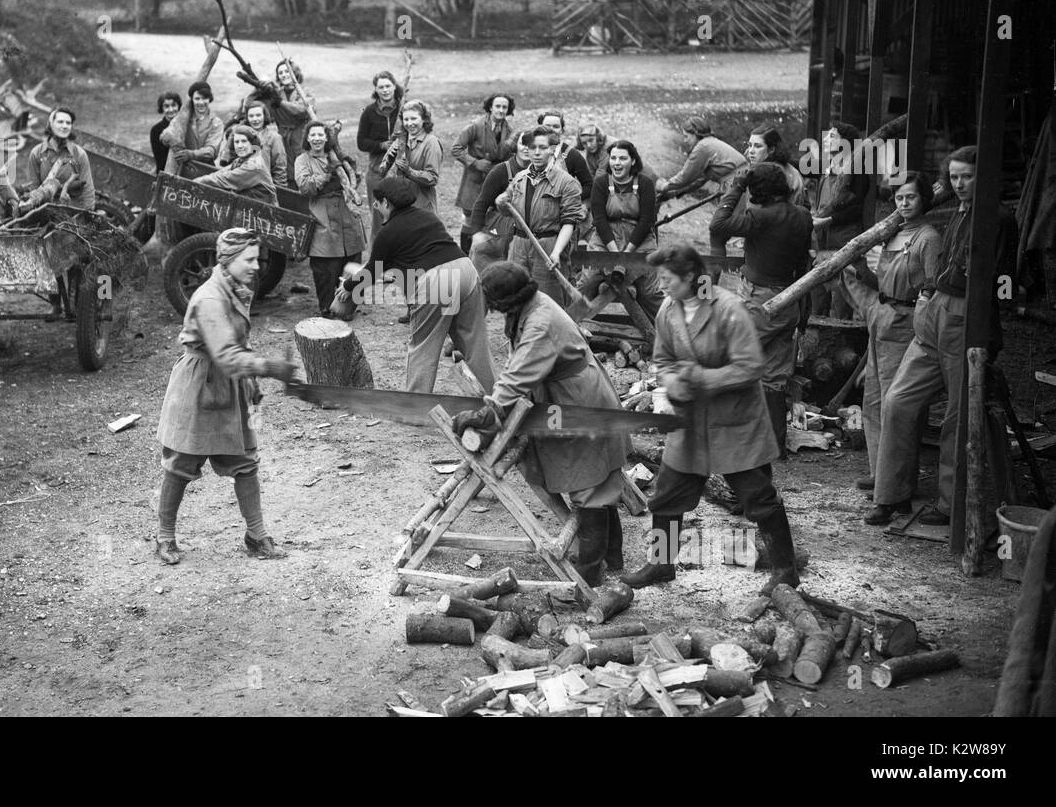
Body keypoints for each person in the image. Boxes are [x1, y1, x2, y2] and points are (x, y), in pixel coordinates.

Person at [620, 244, 800, 595]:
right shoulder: (669, 311)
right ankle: (662, 563)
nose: (661, 285)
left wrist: (700, 379)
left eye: (667, 278)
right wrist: (673, 383)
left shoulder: (727, 309)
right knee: (668, 496)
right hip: (690, 422)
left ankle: (785, 569)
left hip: (735, 423)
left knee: (758, 497)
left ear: (690, 277)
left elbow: (750, 367)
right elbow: (665, 360)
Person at [453, 261, 632, 586]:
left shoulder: (540, 323)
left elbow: (517, 377)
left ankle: (590, 573)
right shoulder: (528, 305)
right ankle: (612, 556)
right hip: (565, 392)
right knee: (596, 479)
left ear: (508, 299)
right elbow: (517, 360)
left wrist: (487, 413)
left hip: (578, 398)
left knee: (590, 483)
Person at [865, 147, 1017, 527]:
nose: (960, 184)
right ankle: (892, 495)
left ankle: (951, 504)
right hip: (932, 314)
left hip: (965, 317)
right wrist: (929, 293)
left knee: (957, 417)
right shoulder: (960, 213)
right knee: (897, 401)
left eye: (967, 176)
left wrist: (984, 310)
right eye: (954, 177)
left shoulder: (998, 218)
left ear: (984, 177)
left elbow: (1007, 284)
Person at [154, 228, 297, 564]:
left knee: (245, 462)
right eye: (249, 259)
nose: (256, 266)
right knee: (182, 464)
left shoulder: (236, 287)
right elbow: (226, 356)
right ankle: (164, 537)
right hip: (200, 386)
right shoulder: (209, 299)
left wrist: (253, 383)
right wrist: (269, 367)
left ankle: (256, 536)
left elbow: (238, 345)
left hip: (230, 385)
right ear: (228, 260)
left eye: (257, 258)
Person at [839, 172, 942, 500]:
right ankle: (879, 471)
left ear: (924, 199)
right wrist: (858, 267)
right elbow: (882, 283)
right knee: (872, 400)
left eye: (911, 197)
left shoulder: (928, 238)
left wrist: (922, 324)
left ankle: (898, 485)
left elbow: (931, 286)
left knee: (896, 407)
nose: (904, 203)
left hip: (905, 322)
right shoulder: (891, 233)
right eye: (899, 198)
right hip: (881, 317)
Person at [341, 175, 493, 394]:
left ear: (386, 203)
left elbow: (372, 272)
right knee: (476, 344)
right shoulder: (428, 217)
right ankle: (496, 398)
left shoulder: (388, 232)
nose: (375, 206)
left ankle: (415, 406)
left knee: (424, 346)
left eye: (377, 202)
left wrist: (347, 287)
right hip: (466, 270)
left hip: (438, 282)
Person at [708, 162, 813, 457]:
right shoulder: (803, 215)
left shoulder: (760, 216)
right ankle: (774, 445)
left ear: (759, 190)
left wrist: (736, 186)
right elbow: (805, 262)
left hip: (760, 300)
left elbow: (718, 225)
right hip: (790, 297)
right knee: (774, 377)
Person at [498, 126, 585, 309]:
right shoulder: (520, 178)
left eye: (543, 148)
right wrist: (502, 202)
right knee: (516, 296)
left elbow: (569, 222)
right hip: (519, 245)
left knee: (548, 302)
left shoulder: (567, 182)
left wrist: (556, 252)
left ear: (553, 149)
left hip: (548, 246)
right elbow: (509, 210)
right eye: (532, 147)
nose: (537, 153)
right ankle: (517, 337)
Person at [577, 139, 663, 318]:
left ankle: (667, 332)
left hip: (639, 240)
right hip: (606, 239)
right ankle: (570, 328)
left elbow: (647, 220)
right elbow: (599, 220)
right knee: (586, 284)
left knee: (650, 293)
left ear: (632, 161)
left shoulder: (645, 183)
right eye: (613, 158)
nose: (616, 163)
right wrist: (615, 254)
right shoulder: (601, 183)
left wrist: (627, 255)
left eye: (622, 158)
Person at [294, 120, 366, 316]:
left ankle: (348, 307)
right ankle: (327, 307)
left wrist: (349, 167)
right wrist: (326, 173)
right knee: (325, 266)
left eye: (320, 135)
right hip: (321, 213)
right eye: (313, 135)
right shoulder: (303, 160)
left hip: (345, 212)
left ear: (327, 138)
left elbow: (354, 183)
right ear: (307, 138)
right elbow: (305, 187)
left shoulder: (336, 156)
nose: (317, 139)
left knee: (352, 262)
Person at [811, 122, 871, 319]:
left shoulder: (857, 170)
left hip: (844, 239)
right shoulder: (828, 168)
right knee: (818, 294)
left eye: (832, 136)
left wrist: (828, 220)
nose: (826, 139)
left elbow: (856, 209)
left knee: (841, 298)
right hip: (822, 241)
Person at [452, 93, 515, 255]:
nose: (501, 110)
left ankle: (483, 252)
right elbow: (456, 149)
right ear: (490, 107)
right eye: (498, 106)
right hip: (474, 179)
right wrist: (474, 162)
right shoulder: (475, 126)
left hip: (494, 178)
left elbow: (511, 154)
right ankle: (464, 254)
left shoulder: (509, 131)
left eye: (504, 107)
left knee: (490, 215)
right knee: (469, 216)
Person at [465, 136, 528, 273]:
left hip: (523, 234)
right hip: (499, 231)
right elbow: (482, 203)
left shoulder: (540, 172)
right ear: (515, 146)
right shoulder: (501, 170)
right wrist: (476, 233)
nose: (526, 148)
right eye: (523, 143)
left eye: (531, 145)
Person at [655, 115, 747, 202]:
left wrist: (664, 186)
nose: (685, 140)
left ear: (695, 134)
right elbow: (700, 179)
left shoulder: (702, 147)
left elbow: (686, 176)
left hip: (736, 183)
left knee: (726, 218)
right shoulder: (710, 143)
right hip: (742, 181)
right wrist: (675, 192)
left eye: (686, 136)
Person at [356, 71, 404, 238]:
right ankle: (377, 261)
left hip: (401, 171)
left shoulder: (403, 108)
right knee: (379, 219)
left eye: (388, 86)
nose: (385, 90)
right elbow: (361, 142)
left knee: (401, 217)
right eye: (381, 87)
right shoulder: (369, 112)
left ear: (394, 86)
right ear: (375, 90)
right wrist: (382, 145)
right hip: (377, 171)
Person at [20, 107, 95, 212]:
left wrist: (89, 212)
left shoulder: (79, 154)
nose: (64, 126)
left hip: (72, 208)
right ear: (51, 124)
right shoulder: (37, 153)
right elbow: (34, 186)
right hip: (44, 208)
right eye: (60, 122)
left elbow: (88, 189)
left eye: (68, 123)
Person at [384, 98, 442, 214]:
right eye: (406, 119)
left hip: (422, 206)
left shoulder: (431, 142)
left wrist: (409, 171)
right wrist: (389, 160)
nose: (409, 123)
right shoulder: (401, 140)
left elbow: (432, 178)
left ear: (424, 119)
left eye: (414, 118)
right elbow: (384, 172)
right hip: (400, 203)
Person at [195, 125, 277, 203]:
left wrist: (196, 182)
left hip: (263, 214)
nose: (239, 146)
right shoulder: (241, 160)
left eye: (244, 141)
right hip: (249, 207)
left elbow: (224, 179)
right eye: (236, 142)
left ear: (252, 143)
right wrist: (202, 179)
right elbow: (222, 172)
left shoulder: (254, 166)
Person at [160, 81, 225, 176]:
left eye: (204, 98)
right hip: (182, 169)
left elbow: (211, 151)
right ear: (192, 100)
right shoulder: (184, 118)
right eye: (197, 99)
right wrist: (168, 137)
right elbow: (164, 136)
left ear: (210, 99)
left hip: (205, 170)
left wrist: (191, 154)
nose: (201, 102)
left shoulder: (216, 123)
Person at [745, 124, 809, 208]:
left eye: (758, 146)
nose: (751, 151)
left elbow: (755, 214)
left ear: (771, 149)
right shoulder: (791, 170)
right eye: (750, 145)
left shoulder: (766, 176)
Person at [271, 59, 312, 185]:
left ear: (294, 72)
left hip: (301, 135)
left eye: (287, 71)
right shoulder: (277, 93)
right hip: (283, 135)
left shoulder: (305, 91)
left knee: (304, 168)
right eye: (280, 73)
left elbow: (301, 109)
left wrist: (281, 103)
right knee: (286, 169)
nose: (283, 75)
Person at [239, 99, 288, 189]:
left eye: (258, 115)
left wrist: (279, 191)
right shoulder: (241, 135)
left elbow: (279, 169)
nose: (255, 119)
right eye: (251, 116)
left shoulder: (274, 138)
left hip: (264, 188)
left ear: (264, 116)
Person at [149, 91, 182, 174]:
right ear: (162, 108)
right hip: (165, 172)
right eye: (166, 106)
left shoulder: (185, 126)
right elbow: (160, 161)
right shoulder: (156, 130)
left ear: (178, 106)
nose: (171, 110)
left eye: (174, 105)